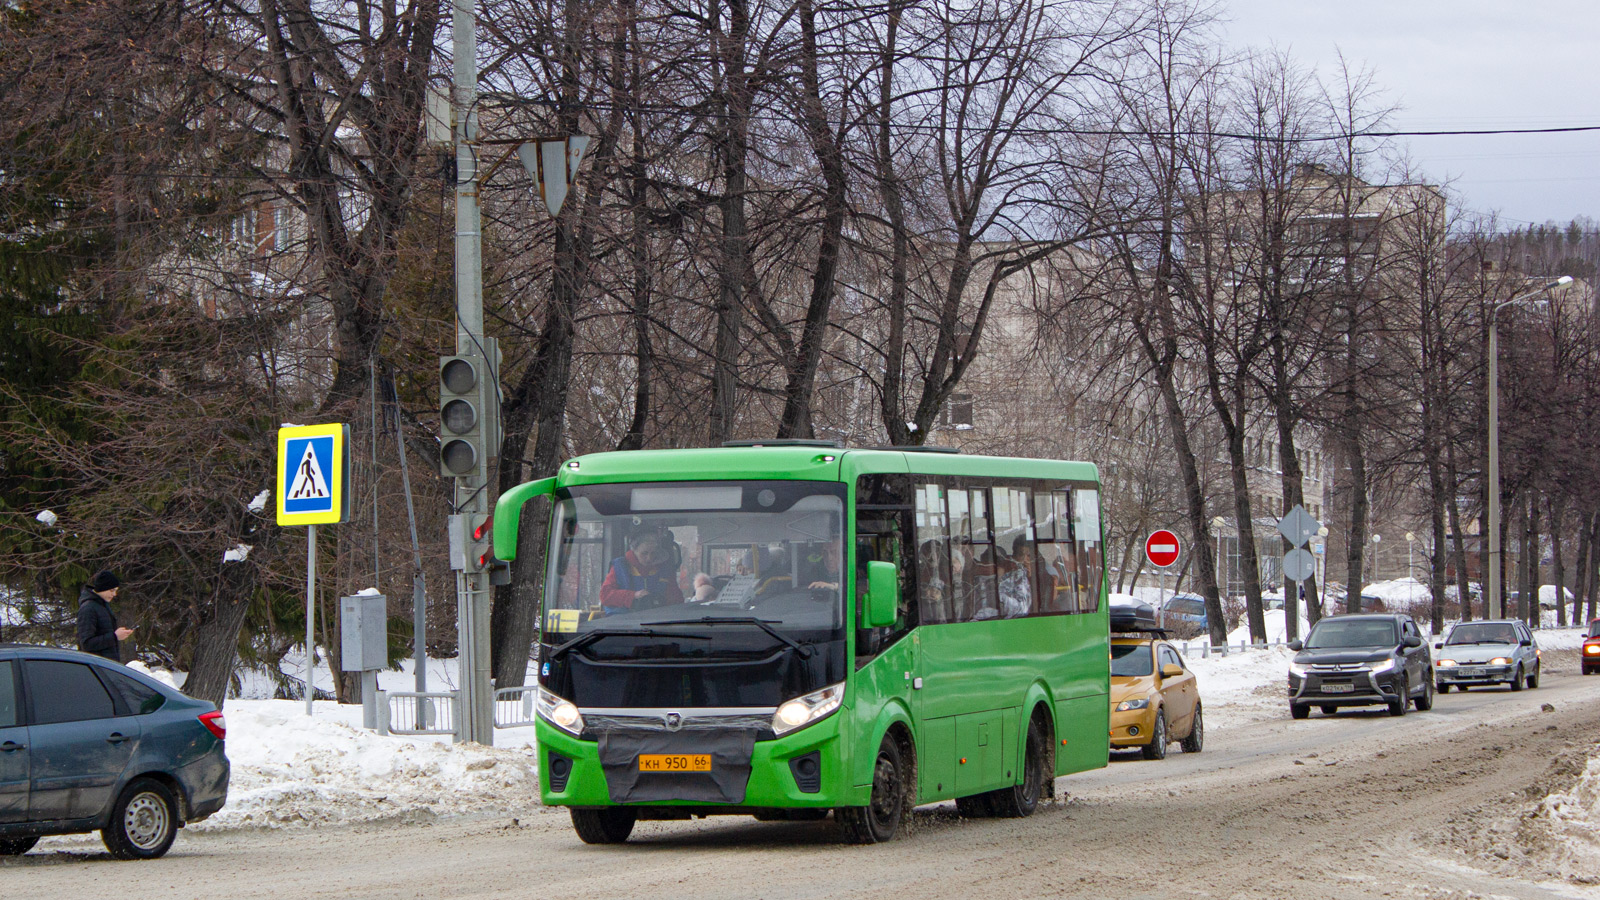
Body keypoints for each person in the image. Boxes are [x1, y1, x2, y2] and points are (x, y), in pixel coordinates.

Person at [598, 532, 684, 615]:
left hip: (657, 620)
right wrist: (633, 596)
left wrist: (660, 600)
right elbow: (605, 595)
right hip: (623, 623)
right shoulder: (620, 567)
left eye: (653, 553)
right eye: (644, 553)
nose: (649, 558)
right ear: (634, 551)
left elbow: (677, 599)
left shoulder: (665, 569)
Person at [77, 570, 133, 663]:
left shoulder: (102, 605)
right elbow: (87, 644)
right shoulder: (88, 608)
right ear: (102, 588)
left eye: (116, 590)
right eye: (112, 590)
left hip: (107, 665)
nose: (114, 594)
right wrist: (115, 637)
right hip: (97, 667)